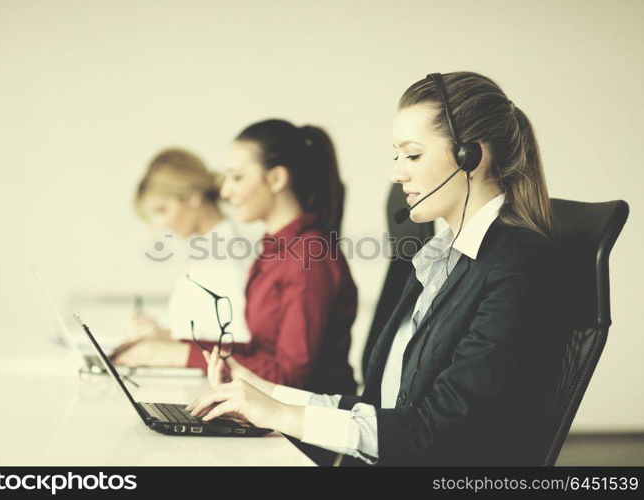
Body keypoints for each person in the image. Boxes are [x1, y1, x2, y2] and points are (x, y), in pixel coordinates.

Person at [186, 72, 567, 466]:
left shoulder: (516, 266)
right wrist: (261, 391)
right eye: (396, 155)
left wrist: (281, 414)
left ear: (471, 155)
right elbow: (378, 407)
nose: (396, 173)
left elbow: (435, 431)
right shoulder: (441, 257)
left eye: (413, 155)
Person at [181, 119, 358, 397]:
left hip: (304, 426)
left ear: (276, 179)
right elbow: (261, 351)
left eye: (237, 177)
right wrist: (187, 350)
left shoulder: (307, 257)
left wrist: (186, 356)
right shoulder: (277, 249)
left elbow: (288, 377)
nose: (225, 192)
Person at [111, 148, 252, 366]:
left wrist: (160, 346)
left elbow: (237, 346)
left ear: (192, 198)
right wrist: (161, 334)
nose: (162, 223)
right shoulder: (208, 249)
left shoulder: (226, 257)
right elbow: (206, 335)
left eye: (163, 210)